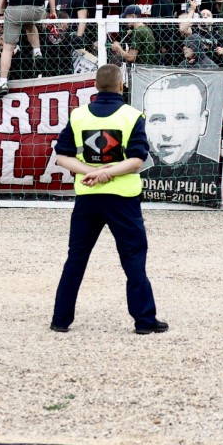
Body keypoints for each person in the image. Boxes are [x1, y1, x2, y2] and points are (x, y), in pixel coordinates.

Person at [48, 63, 167, 334]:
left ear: (95, 86)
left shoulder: (78, 116)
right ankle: (144, 321)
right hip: (123, 197)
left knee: (76, 258)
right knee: (133, 258)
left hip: (87, 197)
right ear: (121, 85)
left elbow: (61, 156)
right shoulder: (132, 116)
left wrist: (91, 172)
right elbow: (137, 159)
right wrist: (109, 173)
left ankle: (60, 319)